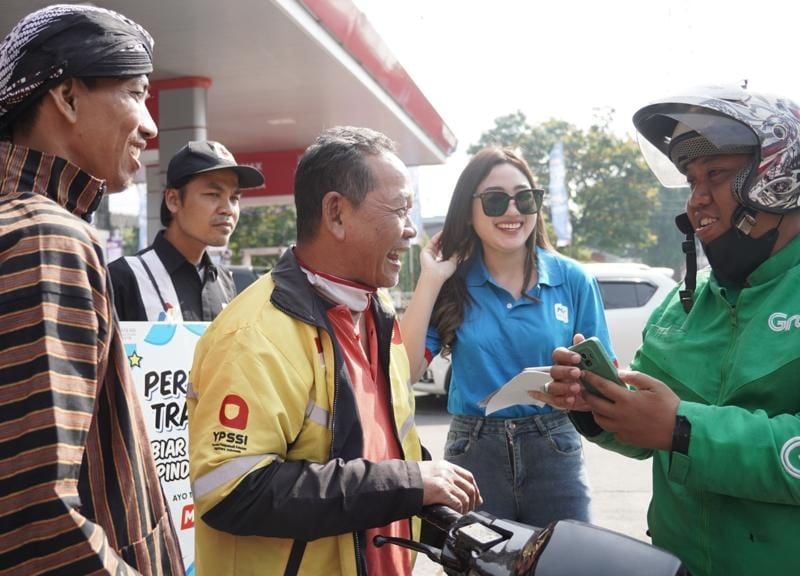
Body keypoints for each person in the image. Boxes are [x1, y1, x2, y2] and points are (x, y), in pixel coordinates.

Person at [187, 126, 481, 576]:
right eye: (400, 209)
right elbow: (231, 492)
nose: (410, 231)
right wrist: (406, 483)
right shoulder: (254, 334)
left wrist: (437, 505)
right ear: (336, 214)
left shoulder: (374, 307)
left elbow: (382, 444)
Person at [539, 86, 800, 576]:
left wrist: (684, 430)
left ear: (779, 178)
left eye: (716, 176)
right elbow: (648, 431)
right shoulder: (682, 305)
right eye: (691, 180)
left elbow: (675, 427)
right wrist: (597, 407)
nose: (697, 199)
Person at [0, 5, 184, 574]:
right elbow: (38, 518)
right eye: (135, 93)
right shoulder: (43, 235)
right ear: (68, 97)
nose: (151, 125)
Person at [401, 146, 613, 527]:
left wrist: (580, 387)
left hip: (554, 443)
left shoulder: (573, 280)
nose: (513, 212)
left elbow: (605, 380)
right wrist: (430, 278)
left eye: (524, 198)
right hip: (473, 452)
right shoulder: (453, 284)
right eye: (496, 201)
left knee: (566, 564)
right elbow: (404, 372)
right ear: (469, 211)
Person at [109, 140, 264, 321]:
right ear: (173, 200)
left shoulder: (224, 282)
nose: (228, 209)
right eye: (213, 194)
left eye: (234, 198)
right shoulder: (124, 278)